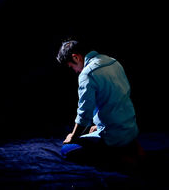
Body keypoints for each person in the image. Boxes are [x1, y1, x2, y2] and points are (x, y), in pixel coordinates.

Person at [56, 40, 144, 169]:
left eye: (71, 66)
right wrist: (99, 125)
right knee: (94, 131)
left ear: (76, 57)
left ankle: (118, 157)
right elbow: (118, 100)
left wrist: (73, 137)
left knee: (66, 150)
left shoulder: (87, 73)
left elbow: (84, 115)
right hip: (130, 129)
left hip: (112, 137)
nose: (75, 71)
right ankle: (129, 147)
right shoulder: (113, 62)